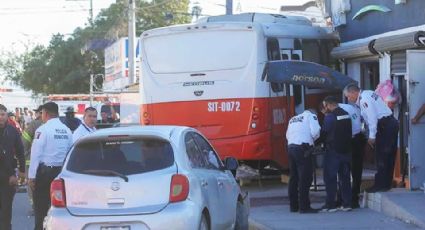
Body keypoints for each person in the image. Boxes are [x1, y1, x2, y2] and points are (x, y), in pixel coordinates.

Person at [344, 84, 399, 193]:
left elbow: (372, 118)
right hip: (389, 123)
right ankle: (386, 184)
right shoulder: (367, 93)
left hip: (384, 126)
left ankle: (381, 185)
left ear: (354, 92)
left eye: (348, 96)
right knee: (388, 156)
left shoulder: (364, 99)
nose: (348, 99)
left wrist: (372, 136)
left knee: (382, 155)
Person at [28, 102, 73, 230]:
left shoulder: (43, 130)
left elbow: (35, 154)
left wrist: (31, 177)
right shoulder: (67, 131)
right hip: (61, 174)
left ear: (46, 113)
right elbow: (70, 153)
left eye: (41, 113)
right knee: (59, 210)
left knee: (41, 210)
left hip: (44, 174)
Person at [320, 96, 353, 212]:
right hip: (346, 150)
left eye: (325, 106)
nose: (325, 108)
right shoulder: (346, 114)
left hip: (333, 151)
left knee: (330, 178)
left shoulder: (330, 117)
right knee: (345, 178)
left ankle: (330, 204)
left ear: (329, 105)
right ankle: (347, 204)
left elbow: (324, 133)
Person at [286, 109, 321, 214]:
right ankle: (304, 207)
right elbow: (316, 131)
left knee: (293, 177)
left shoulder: (293, 119)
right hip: (303, 148)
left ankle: (294, 206)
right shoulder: (311, 116)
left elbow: (287, 135)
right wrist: (313, 141)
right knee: (305, 178)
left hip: (291, 147)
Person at [0, 104, 26, 230]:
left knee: (6, 210)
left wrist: (21, 171)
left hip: (7, 176)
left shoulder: (12, 130)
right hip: (6, 173)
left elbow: (21, 151)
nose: (0, 117)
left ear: (6, 115)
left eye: (2, 114)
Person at [338, 103, 366, 209]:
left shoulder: (340, 111)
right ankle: (354, 199)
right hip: (358, 139)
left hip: (349, 141)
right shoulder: (352, 108)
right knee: (357, 172)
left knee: (344, 172)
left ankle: (344, 199)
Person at [21, 106, 43, 215]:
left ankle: (35, 207)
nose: (35, 115)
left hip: (31, 162)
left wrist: (24, 156)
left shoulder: (34, 124)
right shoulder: (53, 125)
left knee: (31, 185)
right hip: (47, 164)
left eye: (37, 112)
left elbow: (24, 142)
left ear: (41, 113)